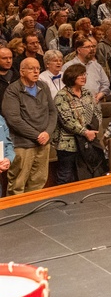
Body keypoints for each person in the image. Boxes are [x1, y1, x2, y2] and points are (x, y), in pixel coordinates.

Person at [2, 57, 55, 195]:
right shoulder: (13, 90)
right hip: (22, 144)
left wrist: (47, 133)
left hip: (43, 142)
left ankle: (34, 214)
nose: (36, 72)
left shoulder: (43, 86)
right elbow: (14, 119)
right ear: (22, 71)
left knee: (38, 181)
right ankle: (16, 213)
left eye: (38, 68)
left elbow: (53, 112)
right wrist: (37, 135)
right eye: (32, 69)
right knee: (18, 184)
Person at [53, 62, 103, 183]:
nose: (83, 77)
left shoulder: (87, 93)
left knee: (84, 175)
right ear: (71, 76)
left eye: (84, 74)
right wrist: (85, 132)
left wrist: (94, 129)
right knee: (66, 176)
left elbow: (97, 112)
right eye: (80, 75)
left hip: (87, 142)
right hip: (68, 144)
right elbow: (66, 120)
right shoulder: (62, 96)